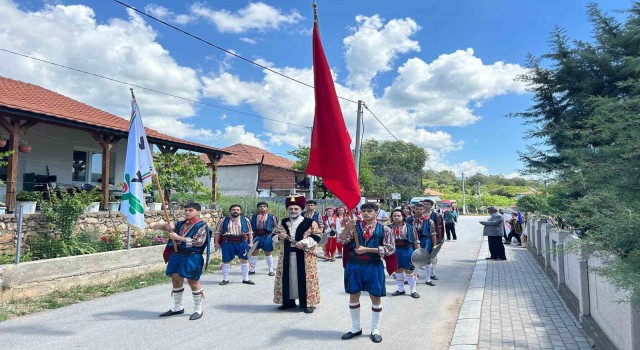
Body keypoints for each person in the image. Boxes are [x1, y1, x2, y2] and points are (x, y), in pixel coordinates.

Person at [339, 202, 395, 343]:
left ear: (376, 213)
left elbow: (389, 249)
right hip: (354, 265)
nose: (366, 214)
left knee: (375, 296)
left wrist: (368, 249)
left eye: (369, 211)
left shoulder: (385, 229)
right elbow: (341, 241)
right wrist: (347, 227)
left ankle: (375, 330)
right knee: (353, 295)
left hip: (373, 265)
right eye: (363, 211)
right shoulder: (354, 226)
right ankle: (355, 328)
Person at [158, 202, 210, 320]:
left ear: (198, 212)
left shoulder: (202, 226)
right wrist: (166, 226)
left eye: (190, 210)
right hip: (176, 256)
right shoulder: (179, 224)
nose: (187, 212)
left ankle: (198, 309)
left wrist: (178, 238)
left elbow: (198, 242)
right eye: (186, 210)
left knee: (193, 282)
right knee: (176, 280)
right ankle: (178, 307)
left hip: (192, 256)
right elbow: (154, 227)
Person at [272, 195, 322, 314]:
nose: (293, 211)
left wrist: (305, 242)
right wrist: (279, 236)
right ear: (287, 210)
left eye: (296, 209)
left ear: (300, 209)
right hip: (287, 256)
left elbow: (317, 235)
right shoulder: (283, 222)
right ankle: (288, 302)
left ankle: (308, 303)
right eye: (291, 209)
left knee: (305, 279)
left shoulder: (310, 222)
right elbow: (273, 236)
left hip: (305, 257)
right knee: (289, 279)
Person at [214, 204, 255, 285]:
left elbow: (250, 232)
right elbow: (217, 232)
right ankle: (225, 279)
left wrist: (251, 242)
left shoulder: (245, 220)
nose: (235, 211)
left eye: (237, 209)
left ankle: (245, 279)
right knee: (226, 260)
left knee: (244, 260)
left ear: (240, 211)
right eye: (233, 209)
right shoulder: (223, 220)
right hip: (228, 243)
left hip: (242, 242)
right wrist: (216, 243)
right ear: (230, 211)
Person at [389, 209, 421, 298]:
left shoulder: (410, 227)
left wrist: (418, 253)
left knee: (409, 271)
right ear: (392, 217)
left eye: (398, 215)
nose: (396, 217)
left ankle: (413, 290)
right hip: (394, 251)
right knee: (398, 270)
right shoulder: (388, 228)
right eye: (394, 216)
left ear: (403, 217)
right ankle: (400, 289)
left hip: (408, 250)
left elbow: (416, 241)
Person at [408, 203, 437, 286]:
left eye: (421, 209)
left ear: (424, 210)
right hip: (412, 241)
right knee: (413, 259)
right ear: (414, 209)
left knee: (428, 260)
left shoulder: (429, 221)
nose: (419, 211)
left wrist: (434, 245)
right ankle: (412, 278)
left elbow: (433, 234)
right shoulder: (408, 220)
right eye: (417, 209)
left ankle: (428, 279)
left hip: (426, 241)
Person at [249, 202, 278, 276]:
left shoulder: (272, 217)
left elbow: (276, 227)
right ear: (258, 208)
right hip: (256, 235)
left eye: (264, 206)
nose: (262, 207)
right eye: (260, 206)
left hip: (267, 236)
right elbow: (249, 227)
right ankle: (252, 269)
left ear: (267, 208)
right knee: (254, 252)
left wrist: (273, 236)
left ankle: (271, 270)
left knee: (268, 252)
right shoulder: (253, 217)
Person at [423, 199, 443, 281]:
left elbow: (440, 228)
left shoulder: (436, 215)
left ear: (431, 206)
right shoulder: (418, 214)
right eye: (424, 204)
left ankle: (432, 273)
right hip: (420, 239)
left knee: (432, 256)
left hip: (432, 238)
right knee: (416, 256)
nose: (425, 206)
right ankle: (412, 274)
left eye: (428, 204)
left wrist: (439, 239)